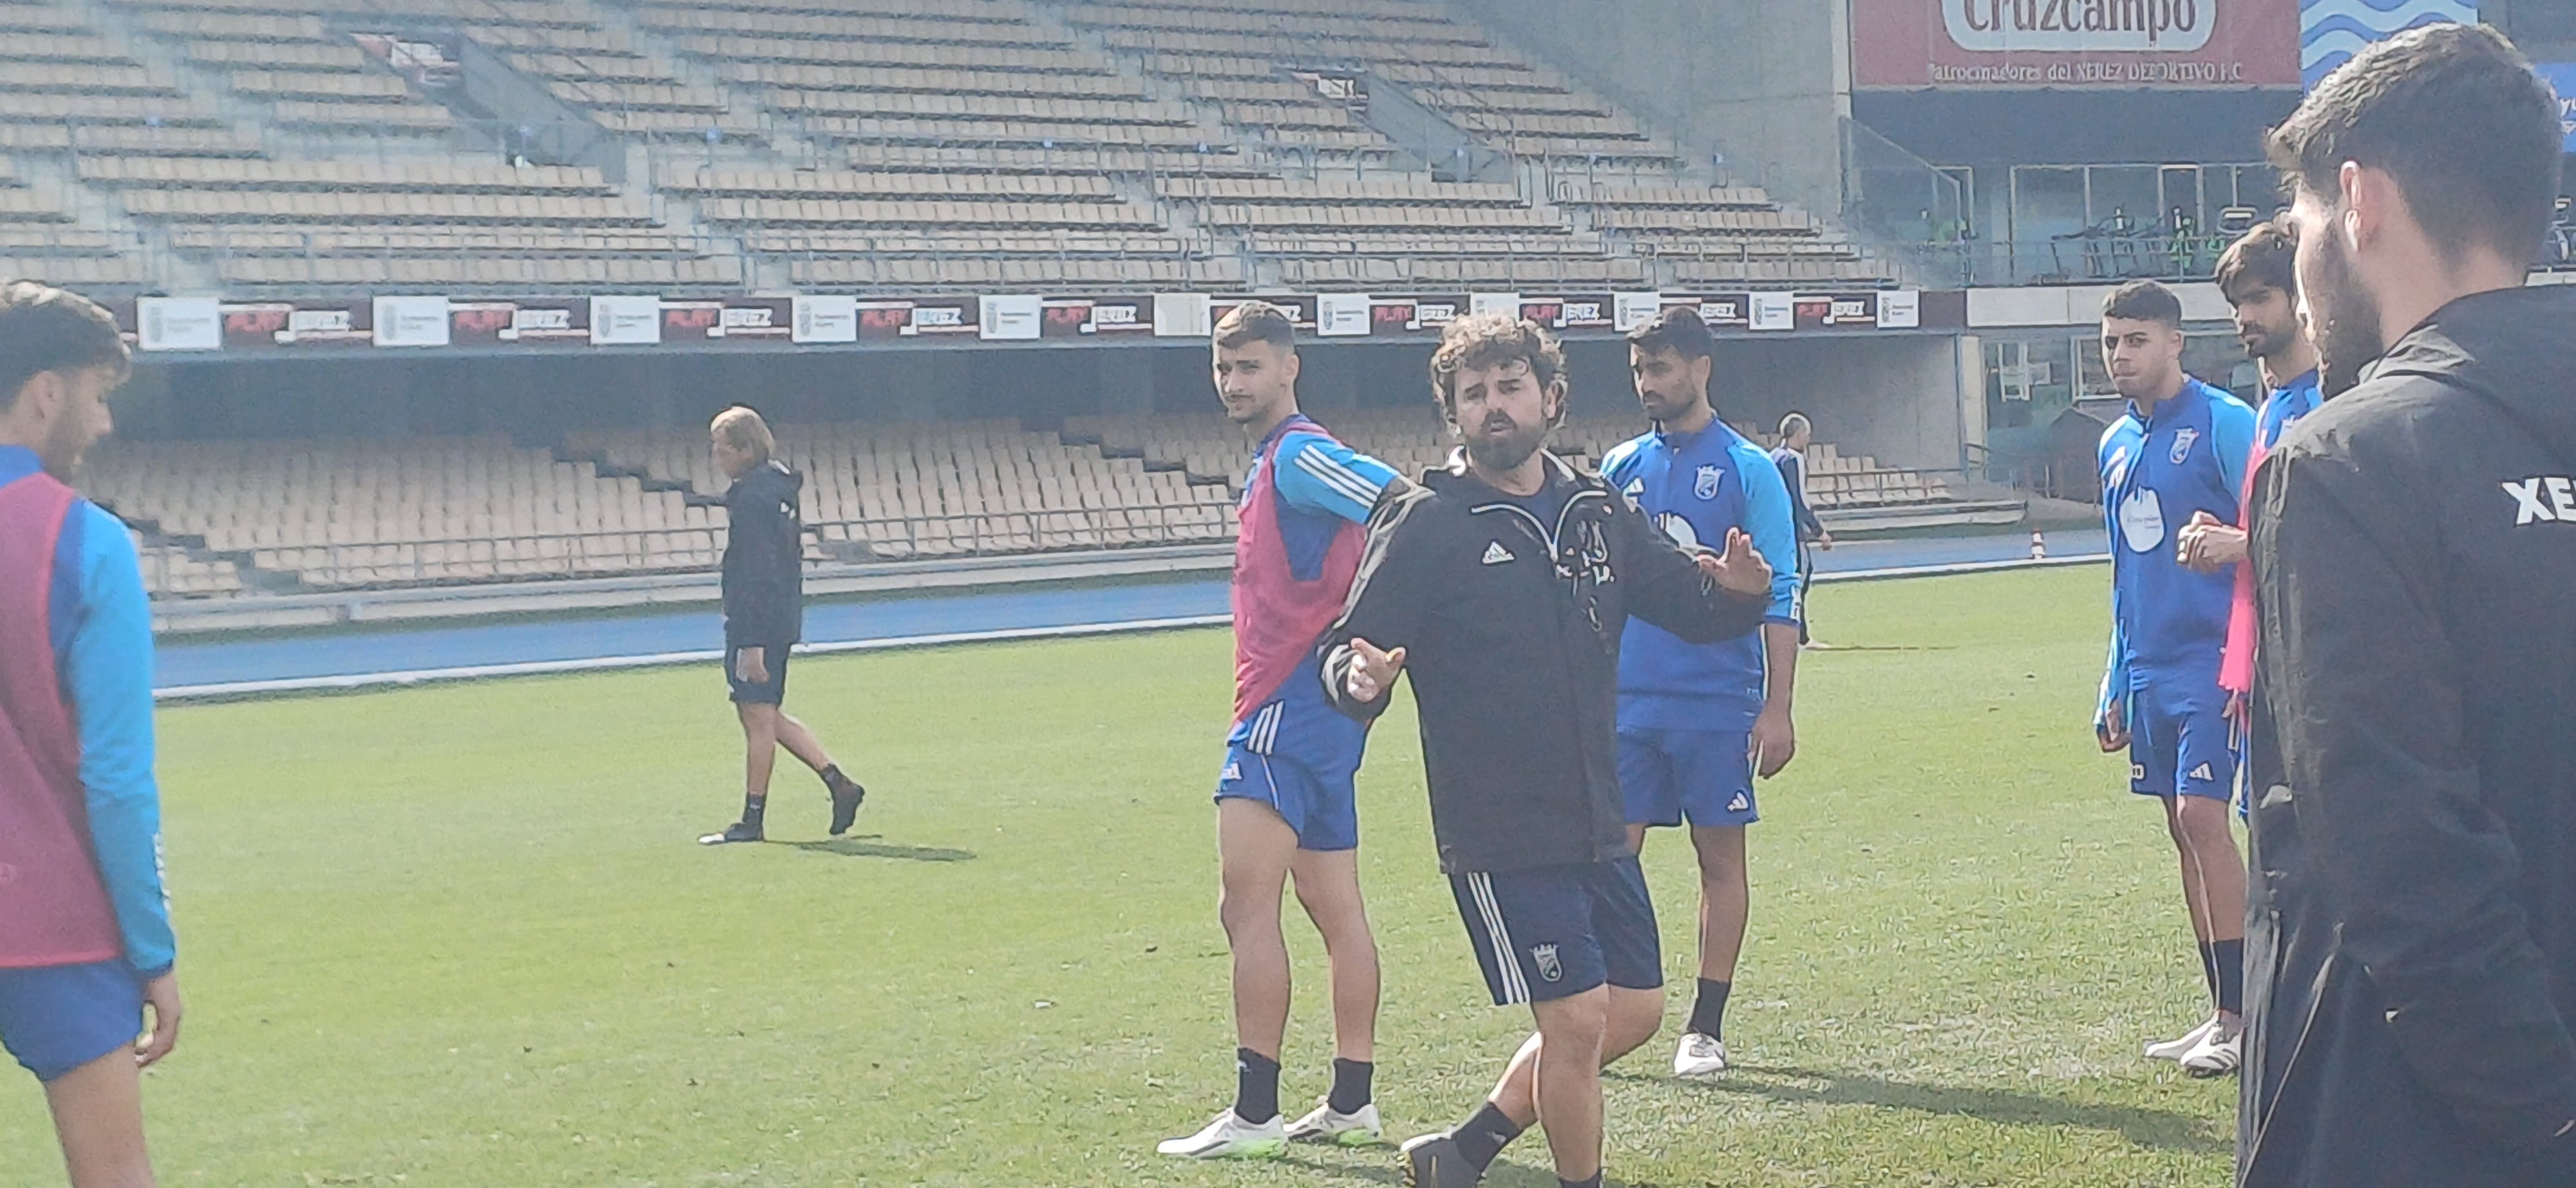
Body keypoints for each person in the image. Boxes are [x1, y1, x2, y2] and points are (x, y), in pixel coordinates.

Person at [1318, 314, 1774, 1188]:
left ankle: (1465, 1153)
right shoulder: (1425, 520)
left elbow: (1689, 603)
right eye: (1474, 394)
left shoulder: (1595, 509)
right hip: (1501, 826)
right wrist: (1358, 677)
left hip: (1597, 813)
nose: (1494, 405)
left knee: (1633, 1011)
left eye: (1510, 386)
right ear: (1453, 414)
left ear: (1551, 397)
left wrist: (1744, 596)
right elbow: (1349, 646)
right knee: (1574, 1023)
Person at [2242, 23, 2576, 1185]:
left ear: (2359, 200)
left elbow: (2399, 854)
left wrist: (2545, 1115)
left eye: (2302, 231)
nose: (2304, 264)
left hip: (2419, 1119)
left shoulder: (2347, 459)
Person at [1160, 301, 1401, 1158]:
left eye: (1250, 366)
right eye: (1224, 369)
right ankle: (1352, 1099)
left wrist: (1367, 628)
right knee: (1334, 906)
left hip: (1283, 710)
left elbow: (1397, 504)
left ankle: (1255, 1112)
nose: (1235, 383)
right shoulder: (1275, 460)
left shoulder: (1299, 453)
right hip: (1320, 715)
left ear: (1289, 367)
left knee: (1245, 904)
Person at [0, 282, 181, 1188]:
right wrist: (153, 953)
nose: (102, 424)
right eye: (97, 396)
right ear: (45, 393)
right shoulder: (88, 542)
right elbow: (116, 782)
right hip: (52, 921)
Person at [1596, 307, 1803, 1078]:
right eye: (1640, 371)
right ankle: (1611, 1008)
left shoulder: (1750, 468)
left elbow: (1781, 593)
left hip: (1717, 700)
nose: (1650, 384)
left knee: (1718, 859)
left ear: (1701, 368)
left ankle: (1704, 1024)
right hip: (1628, 701)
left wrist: (1777, 706)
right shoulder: (1620, 466)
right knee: (1611, 857)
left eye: (1662, 368)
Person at [2089, 279, 2257, 1078]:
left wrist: (2249, 655)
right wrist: (2114, 676)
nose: (2121, 355)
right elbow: (2123, 568)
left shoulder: (2227, 422)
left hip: (2215, 661)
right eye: (2112, 341)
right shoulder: (2113, 443)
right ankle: (2220, 1008)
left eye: (2136, 340)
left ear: (2175, 341)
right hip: (2150, 666)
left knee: (2203, 816)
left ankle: (2249, 1008)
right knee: (2180, 828)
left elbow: (2278, 524)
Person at [2177, 218, 2322, 732]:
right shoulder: (2272, 408)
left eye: (2259, 298)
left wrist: (2238, 545)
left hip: (2318, 658)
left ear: (2299, 296)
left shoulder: (2332, 402)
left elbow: (2342, 534)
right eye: (2236, 305)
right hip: (2267, 649)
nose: (2244, 317)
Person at [698, 406, 866, 845]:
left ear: (744, 449)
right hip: (780, 615)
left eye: (721, 450)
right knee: (765, 713)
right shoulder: (778, 489)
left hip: (757, 621)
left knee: (756, 718)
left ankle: (753, 818)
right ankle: (839, 785)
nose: (717, 458)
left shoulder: (754, 498)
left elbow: (757, 571)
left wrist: (751, 643)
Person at [1769, 413, 1832, 647]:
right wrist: (1819, 531)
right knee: (1800, 579)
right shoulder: (1793, 459)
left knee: (1782, 580)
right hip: (1791, 531)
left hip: (1773, 530)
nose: (1808, 439)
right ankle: (1800, 636)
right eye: (1806, 434)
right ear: (1797, 435)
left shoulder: (1772, 456)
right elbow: (1800, 501)